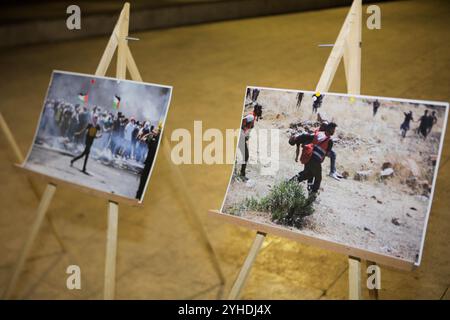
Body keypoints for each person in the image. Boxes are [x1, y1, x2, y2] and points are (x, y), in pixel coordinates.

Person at [291, 122, 337, 198]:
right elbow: (327, 153)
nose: (334, 131)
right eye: (334, 130)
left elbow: (307, 136)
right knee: (318, 178)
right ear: (330, 130)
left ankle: (290, 183)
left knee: (307, 174)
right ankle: (312, 195)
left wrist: (296, 138)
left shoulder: (318, 134)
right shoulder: (330, 141)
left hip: (309, 157)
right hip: (315, 160)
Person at [136, 127, 161, 199]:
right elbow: (143, 139)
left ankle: (139, 196)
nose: (153, 131)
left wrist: (145, 138)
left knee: (145, 180)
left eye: (155, 130)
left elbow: (149, 142)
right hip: (149, 163)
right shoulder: (153, 138)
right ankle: (139, 196)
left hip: (151, 164)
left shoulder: (156, 140)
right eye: (153, 130)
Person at [239, 113, 255, 181]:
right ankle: (242, 174)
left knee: (246, 156)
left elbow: (246, 131)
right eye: (251, 123)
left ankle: (242, 173)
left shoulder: (248, 122)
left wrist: (246, 137)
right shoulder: (243, 122)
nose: (251, 125)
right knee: (245, 156)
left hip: (241, 140)